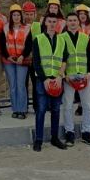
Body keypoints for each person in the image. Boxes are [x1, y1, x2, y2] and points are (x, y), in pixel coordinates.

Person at [32, 15, 67, 151]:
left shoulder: (62, 39)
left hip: (57, 79)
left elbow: (64, 60)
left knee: (56, 110)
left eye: (54, 22)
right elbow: (36, 62)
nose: (52, 24)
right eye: (50, 22)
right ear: (45, 23)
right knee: (41, 110)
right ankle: (38, 139)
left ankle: (55, 138)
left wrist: (59, 76)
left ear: (57, 24)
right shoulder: (38, 39)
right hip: (43, 80)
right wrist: (45, 79)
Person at [60, 12, 90, 146]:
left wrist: (89, 73)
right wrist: (64, 76)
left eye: (75, 20)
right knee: (68, 106)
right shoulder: (61, 38)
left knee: (87, 106)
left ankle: (86, 132)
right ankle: (69, 133)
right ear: (66, 23)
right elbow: (60, 58)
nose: (73, 22)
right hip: (69, 77)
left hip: (84, 76)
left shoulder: (85, 38)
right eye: (70, 20)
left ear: (78, 23)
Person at [0, 4, 32, 119]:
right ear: (11, 16)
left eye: (18, 15)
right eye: (14, 15)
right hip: (9, 61)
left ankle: (22, 110)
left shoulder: (27, 28)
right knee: (12, 86)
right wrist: (7, 56)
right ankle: (15, 109)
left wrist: (22, 56)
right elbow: (2, 44)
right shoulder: (6, 27)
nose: (16, 17)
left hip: (21, 61)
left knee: (21, 85)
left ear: (21, 16)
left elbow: (28, 44)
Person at [22, 1, 39, 113]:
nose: (28, 16)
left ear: (35, 14)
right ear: (23, 14)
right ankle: (24, 107)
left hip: (36, 60)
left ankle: (37, 107)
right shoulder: (19, 26)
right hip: (23, 59)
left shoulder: (39, 26)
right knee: (23, 84)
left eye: (31, 14)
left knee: (36, 83)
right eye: (26, 14)